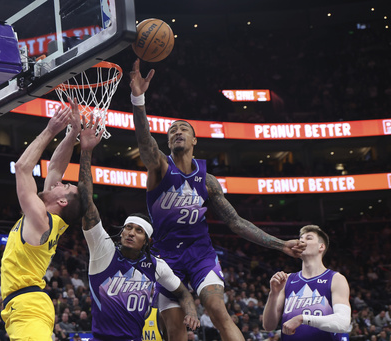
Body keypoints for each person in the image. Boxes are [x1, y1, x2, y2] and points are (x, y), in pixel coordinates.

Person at [129, 58, 306, 341]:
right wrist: (138, 98)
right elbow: (144, 143)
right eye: (172, 130)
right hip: (165, 258)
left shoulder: (207, 181)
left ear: (195, 140)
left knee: (217, 310)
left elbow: (235, 222)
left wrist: (280, 244)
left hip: (200, 254)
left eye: (183, 128)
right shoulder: (160, 168)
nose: (177, 131)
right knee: (175, 329)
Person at [77, 115, 200, 340]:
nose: (131, 233)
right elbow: (86, 203)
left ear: (147, 240)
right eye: (128, 228)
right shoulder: (104, 250)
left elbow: (182, 292)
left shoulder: (156, 266)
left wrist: (191, 311)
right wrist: (86, 151)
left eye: (138, 230)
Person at [0, 98, 83, 340]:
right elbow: (56, 167)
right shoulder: (52, 218)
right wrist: (73, 134)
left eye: (65, 186)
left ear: (62, 202)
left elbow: (23, 167)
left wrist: (51, 130)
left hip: (27, 308)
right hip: (29, 304)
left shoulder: (40, 218)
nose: (59, 181)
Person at [262, 225, 351, 341]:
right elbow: (268, 326)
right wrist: (273, 293)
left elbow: (342, 322)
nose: (301, 241)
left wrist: (302, 318)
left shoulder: (335, 279)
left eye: (308, 238)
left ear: (321, 246)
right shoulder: (287, 279)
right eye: (301, 238)